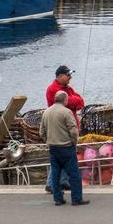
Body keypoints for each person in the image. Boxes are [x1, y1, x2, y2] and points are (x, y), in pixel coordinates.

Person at [40, 91, 86, 206]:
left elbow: (41, 132)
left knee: (55, 174)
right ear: (65, 100)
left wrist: (48, 141)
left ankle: (58, 199)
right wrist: (74, 142)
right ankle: (76, 198)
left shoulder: (46, 112)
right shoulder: (67, 112)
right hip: (66, 147)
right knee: (74, 174)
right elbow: (73, 130)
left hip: (53, 148)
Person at [44, 65, 84, 194]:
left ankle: (64, 182)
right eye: (68, 75)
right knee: (62, 158)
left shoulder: (67, 88)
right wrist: (73, 99)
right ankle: (51, 184)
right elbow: (72, 102)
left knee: (66, 157)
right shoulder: (53, 89)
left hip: (68, 125)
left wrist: (74, 99)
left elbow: (80, 102)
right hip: (60, 128)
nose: (70, 77)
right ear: (60, 76)